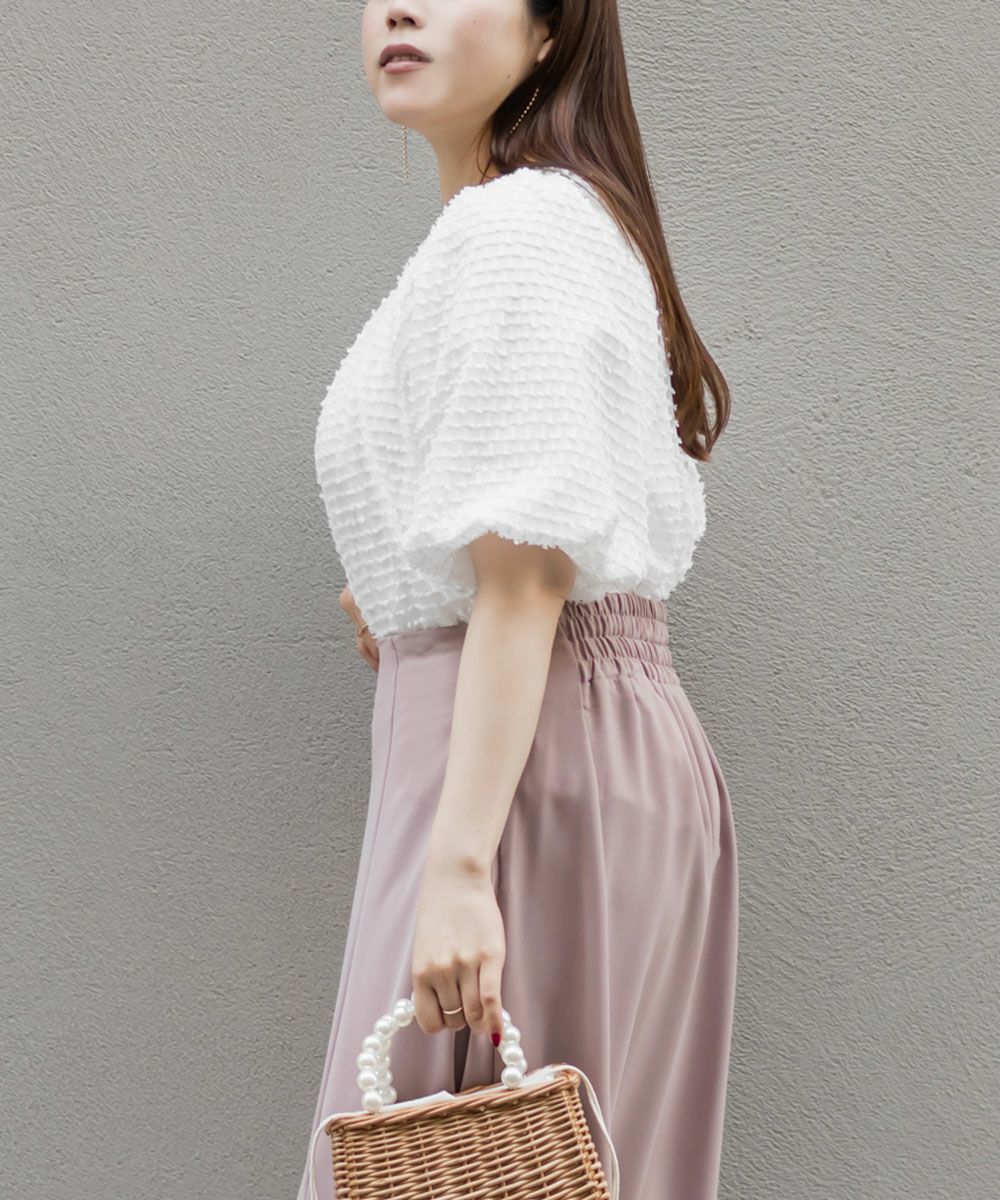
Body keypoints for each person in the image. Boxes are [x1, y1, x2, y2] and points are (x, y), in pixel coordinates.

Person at [297, 2, 738, 1197]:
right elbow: (517, 537)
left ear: (552, 33)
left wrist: (458, 871)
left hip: (522, 766)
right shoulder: (508, 230)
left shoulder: (521, 226)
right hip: (533, 745)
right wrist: (402, 598)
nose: (399, 8)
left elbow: (532, 565)